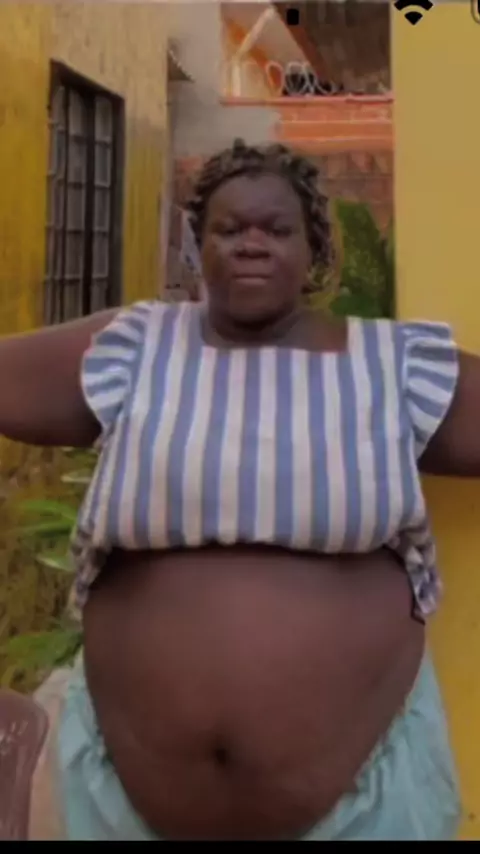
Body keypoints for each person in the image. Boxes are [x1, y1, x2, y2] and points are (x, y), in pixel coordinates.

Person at [1, 138, 478, 841]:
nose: (252, 244)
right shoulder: (135, 349)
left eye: (276, 229)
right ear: (200, 247)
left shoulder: (394, 366)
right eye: (229, 229)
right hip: (122, 802)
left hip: (367, 805)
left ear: (315, 249)